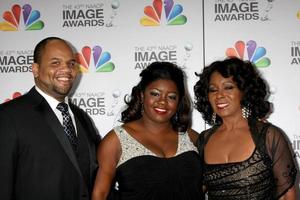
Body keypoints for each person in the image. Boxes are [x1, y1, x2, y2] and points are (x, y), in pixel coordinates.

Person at [0, 37, 100, 200]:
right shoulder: (8, 116)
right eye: (55, 63)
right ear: (35, 69)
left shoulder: (82, 118)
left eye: (71, 63)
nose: (66, 69)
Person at [92, 61, 204, 200]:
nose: (162, 101)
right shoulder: (116, 140)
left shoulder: (191, 137)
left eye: (171, 97)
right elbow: (99, 194)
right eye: (155, 94)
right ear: (142, 95)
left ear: (179, 101)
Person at [194, 57, 297, 200]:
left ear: (245, 91)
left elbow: (287, 195)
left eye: (228, 87)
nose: (219, 95)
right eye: (213, 90)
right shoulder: (204, 140)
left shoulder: (268, 136)